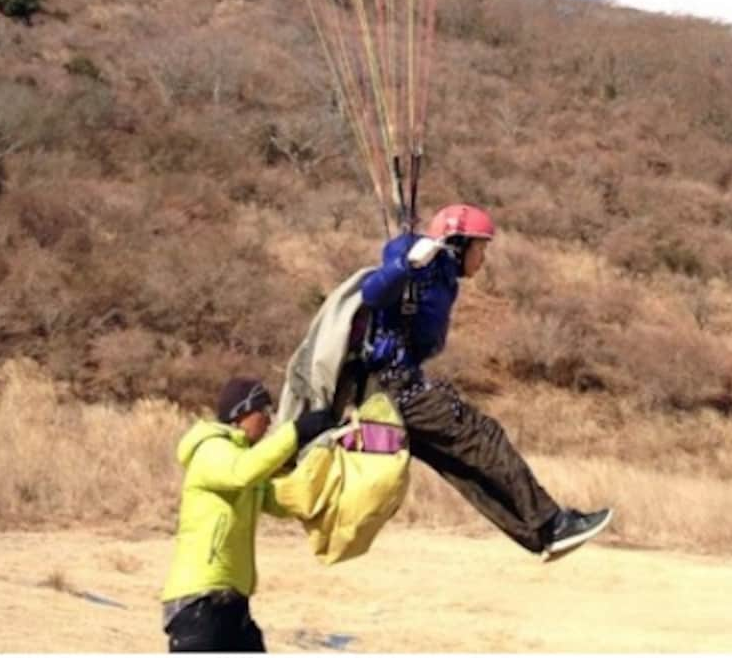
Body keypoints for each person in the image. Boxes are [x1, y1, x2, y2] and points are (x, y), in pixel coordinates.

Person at [334, 203, 612, 561]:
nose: (483, 258)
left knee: (462, 464)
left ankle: (541, 535)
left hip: (393, 390)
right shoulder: (416, 259)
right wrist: (407, 265)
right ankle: (552, 523)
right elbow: (373, 293)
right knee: (485, 437)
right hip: (393, 390)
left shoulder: (445, 280)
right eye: (480, 248)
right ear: (459, 244)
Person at [161, 377, 334, 652]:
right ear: (240, 414)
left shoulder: (246, 458)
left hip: (234, 602)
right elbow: (241, 473)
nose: (268, 421)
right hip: (198, 604)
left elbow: (280, 502)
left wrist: (328, 472)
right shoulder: (211, 449)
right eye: (263, 412)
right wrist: (293, 433)